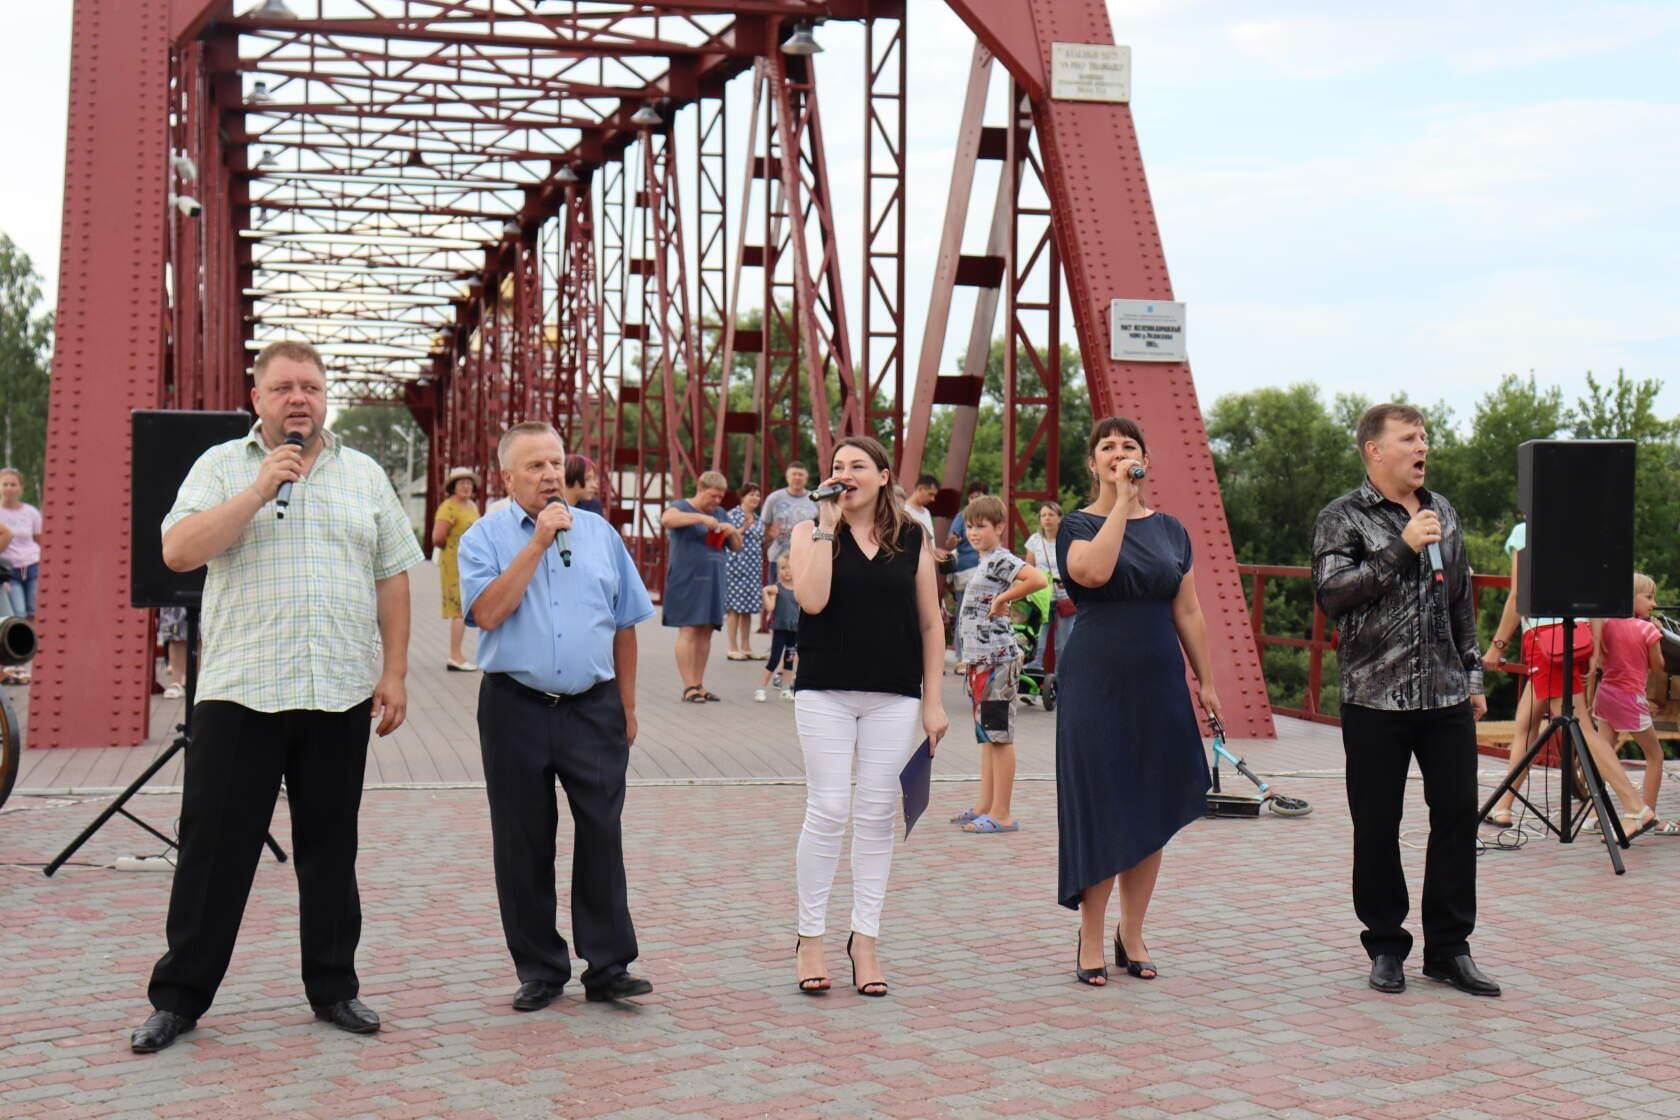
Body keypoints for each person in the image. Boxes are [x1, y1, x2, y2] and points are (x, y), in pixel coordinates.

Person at [130, 340, 423, 1054]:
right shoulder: (222, 467)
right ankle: (179, 999)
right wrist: (259, 490)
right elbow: (177, 551)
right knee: (214, 852)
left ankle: (334, 989)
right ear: (257, 398)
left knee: (331, 850)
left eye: (313, 387)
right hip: (242, 692)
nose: (301, 399)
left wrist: (396, 672)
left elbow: (392, 576)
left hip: (339, 688)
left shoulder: (364, 475)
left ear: (327, 399)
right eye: (285, 387)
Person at [458, 420, 656, 1010]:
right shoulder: (485, 536)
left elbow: (625, 623)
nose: (550, 476)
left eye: (555, 464)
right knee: (522, 839)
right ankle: (540, 969)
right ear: (507, 477)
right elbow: (488, 613)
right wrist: (537, 542)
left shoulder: (599, 533)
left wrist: (627, 705)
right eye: (536, 467)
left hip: (592, 706)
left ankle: (609, 965)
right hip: (515, 705)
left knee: (601, 831)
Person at [1312, 402, 1499, 998]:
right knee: (1377, 824)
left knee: (1455, 819)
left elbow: (1461, 601)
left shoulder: (1443, 510)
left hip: (1444, 696)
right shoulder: (1342, 518)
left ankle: (1449, 949)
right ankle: (1387, 945)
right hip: (1374, 700)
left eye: (1424, 438)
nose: (1422, 447)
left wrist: (1472, 678)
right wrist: (1401, 548)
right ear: (1375, 449)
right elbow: (1332, 595)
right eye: (1409, 438)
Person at [1057, 418, 1217, 987]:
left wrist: (1207, 681)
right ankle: (1092, 936)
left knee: (1150, 804)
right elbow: (1094, 572)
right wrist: (1122, 503)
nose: (1118, 454)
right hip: (1097, 681)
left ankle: (1135, 930)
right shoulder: (1077, 524)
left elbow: (1189, 610)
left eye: (1129, 447)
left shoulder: (1173, 530)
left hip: (1159, 681)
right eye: (1107, 448)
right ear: (1093, 464)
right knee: (1101, 803)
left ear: (1147, 458)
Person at [789, 435, 949, 997]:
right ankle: (810, 936)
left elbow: (931, 623)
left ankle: (866, 939)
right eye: (837, 466)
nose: (845, 473)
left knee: (878, 812)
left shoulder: (913, 537)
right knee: (829, 807)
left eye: (858, 466)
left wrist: (933, 699)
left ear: (883, 477)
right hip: (824, 689)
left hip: (895, 691)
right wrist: (827, 527)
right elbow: (811, 601)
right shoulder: (809, 531)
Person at [1479, 523, 1655, 836]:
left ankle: (1635, 807)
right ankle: (1504, 806)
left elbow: (1518, 595)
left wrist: (1497, 647)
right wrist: (1596, 649)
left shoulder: (1526, 530)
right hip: (1575, 637)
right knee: (1525, 722)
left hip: (1547, 643)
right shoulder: (1583, 530)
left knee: (1582, 728)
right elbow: (1595, 598)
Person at [949, 495, 1046, 835]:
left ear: (1000, 527)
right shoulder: (985, 560)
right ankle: (985, 805)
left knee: (999, 737)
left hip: (997, 660)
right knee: (988, 736)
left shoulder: (1001, 559)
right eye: (970, 527)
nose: (973, 533)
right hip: (981, 661)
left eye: (982, 527)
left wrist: (1004, 599)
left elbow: (1038, 579)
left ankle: (1001, 813)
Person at [1590, 573, 1668, 834]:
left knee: (1606, 753)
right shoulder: (1647, 629)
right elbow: (1659, 667)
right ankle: (1649, 813)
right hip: (1631, 699)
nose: (1653, 603)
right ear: (1630, 598)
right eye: (1648, 597)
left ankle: (1595, 814)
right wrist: (1658, 635)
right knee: (1655, 755)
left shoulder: (1607, 624)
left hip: (1606, 694)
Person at [661, 470, 743, 702]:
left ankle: (699, 683)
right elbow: (667, 519)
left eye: (720, 497)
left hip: (713, 580)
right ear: (700, 489)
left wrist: (732, 531)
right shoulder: (682, 507)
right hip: (687, 578)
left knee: (706, 631)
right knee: (689, 630)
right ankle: (688, 686)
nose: (716, 502)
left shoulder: (721, 514)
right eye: (712, 496)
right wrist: (701, 519)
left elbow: (736, 547)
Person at [433, 466, 481, 672]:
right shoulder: (448, 507)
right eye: (461, 483)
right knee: (459, 610)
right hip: (454, 564)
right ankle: (455, 656)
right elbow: (437, 537)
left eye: (469, 484)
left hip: (469, 563)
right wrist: (453, 547)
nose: (466, 487)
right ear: (453, 486)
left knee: (465, 608)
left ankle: (458, 654)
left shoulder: (472, 506)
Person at [1023, 501, 1074, 672]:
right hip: (1042, 595)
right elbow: (1028, 567)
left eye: (1051, 515)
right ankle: (1036, 669)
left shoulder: (1068, 540)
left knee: (1063, 642)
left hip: (1064, 595)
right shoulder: (1034, 541)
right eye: (1043, 515)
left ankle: (1061, 674)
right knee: (1039, 638)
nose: (1047, 519)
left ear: (1060, 518)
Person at [945, 480, 989, 669]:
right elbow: (950, 543)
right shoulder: (962, 517)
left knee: (983, 613)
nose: (974, 500)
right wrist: (953, 540)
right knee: (965, 612)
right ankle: (962, 655)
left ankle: (978, 653)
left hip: (984, 568)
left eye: (978, 496)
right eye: (971, 497)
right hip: (967, 569)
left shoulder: (991, 517)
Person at [724, 482, 766, 661]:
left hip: (752, 569)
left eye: (757, 495)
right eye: (751, 495)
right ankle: (732, 647)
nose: (755, 498)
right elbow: (726, 537)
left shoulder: (758, 518)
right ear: (742, 496)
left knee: (748, 609)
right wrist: (744, 527)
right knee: (734, 609)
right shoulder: (732, 515)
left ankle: (746, 646)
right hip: (735, 567)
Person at [0, 467, 42, 621]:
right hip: (10, 570)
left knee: (34, 609)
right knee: (18, 612)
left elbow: (39, 539)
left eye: (13, 484)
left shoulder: (31, 512)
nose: (9, 488)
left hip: (32, 565)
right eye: (5, 484)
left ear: (21, 488)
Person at [756, 554, 799, 702]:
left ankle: (786, 689)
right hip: (780, 628)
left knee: (789, 660)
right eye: (783, 568)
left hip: (794, 629)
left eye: (790, 568)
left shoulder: (799, 589)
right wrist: (765, 593)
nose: (786, 571)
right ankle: (761, 688)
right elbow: (770, 607)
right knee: (774, 659)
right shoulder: (776, 589)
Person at [762, 462, 817, 566]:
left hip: (807, 558)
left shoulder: (815, 499)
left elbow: (823, 526)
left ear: (806, 478)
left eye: (800, 475)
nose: (797, 478)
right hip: (778, 558)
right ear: (787, 477)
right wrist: (769, 537)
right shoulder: (774, 498)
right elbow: (764, 525)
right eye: (794, 474)